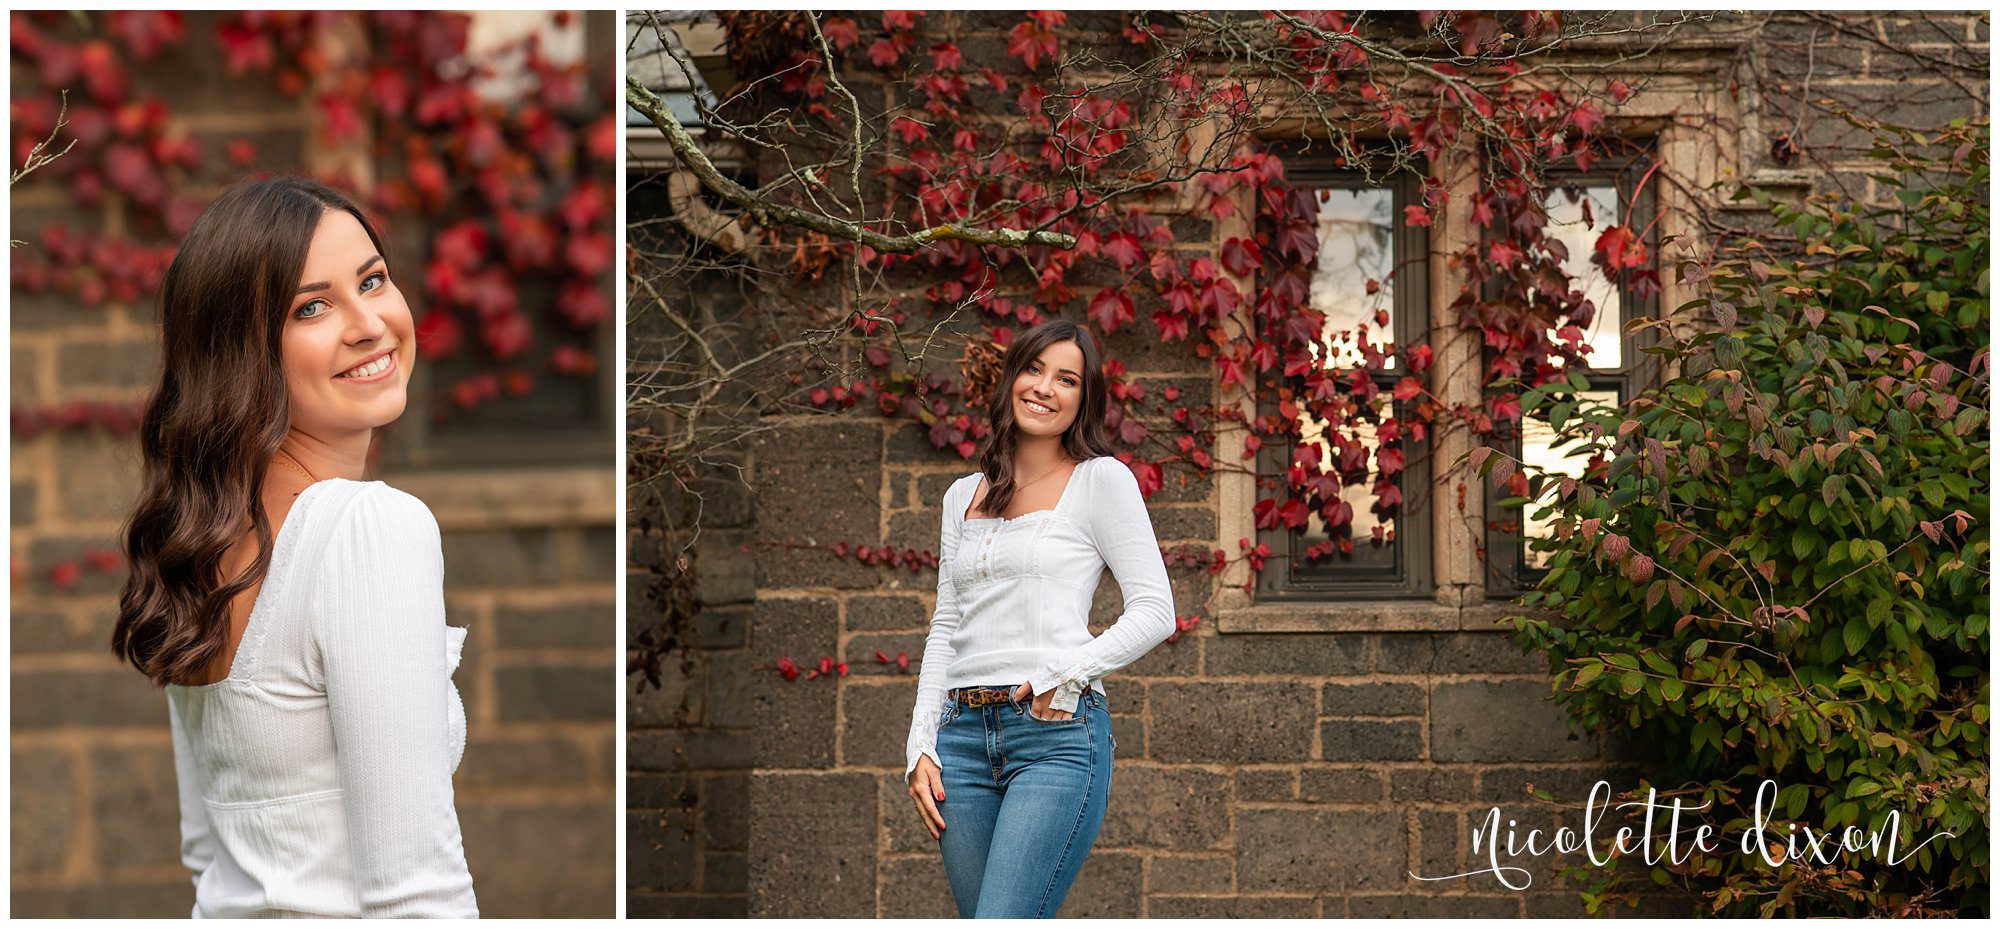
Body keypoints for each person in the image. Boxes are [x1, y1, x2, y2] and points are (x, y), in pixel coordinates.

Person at [112, 176, 477, 917]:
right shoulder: (369, 530)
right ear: (241, 352)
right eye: (311, 306)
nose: (370, 323)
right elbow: (418, 893)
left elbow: (208, 855)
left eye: (372, 281)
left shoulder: (198, 540)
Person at [904, 317, 1177, 918]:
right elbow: (946, 625)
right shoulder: (961, 496)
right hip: (960, 742)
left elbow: (1157, 611)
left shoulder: (1101, 481)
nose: (1045, 387)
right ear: (1010, 380)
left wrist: (1068, 671)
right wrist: (921, 743)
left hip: (1053, 738)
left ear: (1083, 400)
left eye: (1067, 379)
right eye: (1034, 369)